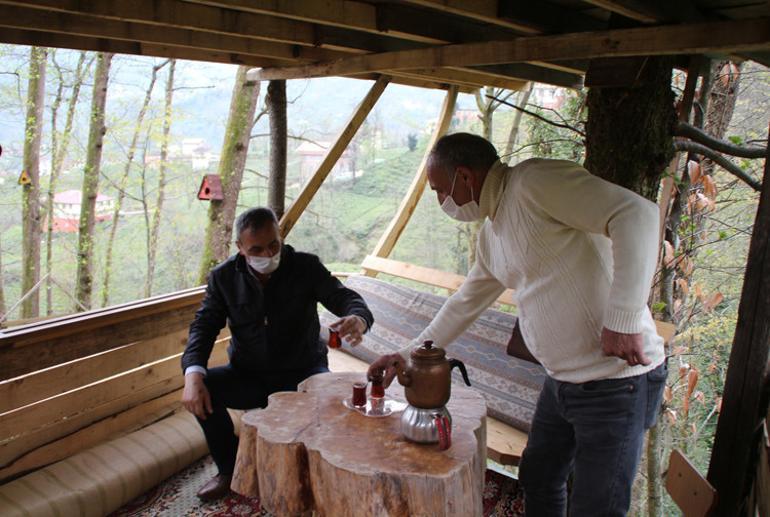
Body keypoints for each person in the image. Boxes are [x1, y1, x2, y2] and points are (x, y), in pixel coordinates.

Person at [368, 133, 666, 516]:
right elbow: (465, 303)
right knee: (539, 480)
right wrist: (406, 355)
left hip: (615, 383)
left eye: (440, 190)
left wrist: (623, 318)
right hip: (561, 382)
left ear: (465, 177)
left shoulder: (534, 183)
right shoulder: (493, 234)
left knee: (597, 508)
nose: (442, 201)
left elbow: (635, 213)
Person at [182, 207, 374, 501]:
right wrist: (193, 373)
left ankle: (320, 476)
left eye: (274, 245)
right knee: (202, 389)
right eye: (256, 249)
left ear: (280, 238)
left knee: (332, 404)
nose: (268, 254)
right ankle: (230, 470)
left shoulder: (305, 267)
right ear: (240, 249)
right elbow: (204, 326)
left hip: (303, 371)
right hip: (249, 374)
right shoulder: (223, 278)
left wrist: (358, 318)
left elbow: (344, 297)